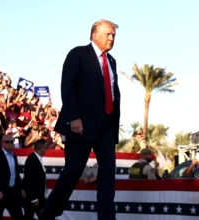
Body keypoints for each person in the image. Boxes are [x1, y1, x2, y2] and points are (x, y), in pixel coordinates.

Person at [40, 19, 121, 220]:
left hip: (107, 128)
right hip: (81, 126)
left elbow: (112, 92)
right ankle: (48, 214)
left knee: (108, 175)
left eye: (113, 35)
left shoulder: (111, 61)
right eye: (107, 34)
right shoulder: (78, 54)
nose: (111, 38)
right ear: (94, 35)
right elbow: (68, 87)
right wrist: (74, 117)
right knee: (72, 173)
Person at [0, 134, 26, 220]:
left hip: (13, 192)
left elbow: (16, 174)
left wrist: (21, 188)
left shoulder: (14, 156)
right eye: (7, 142)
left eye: (11, 142)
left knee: (19, 217)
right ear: (2, 143)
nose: (9, 143)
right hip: (1, 193)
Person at [23, 139, 47, 220]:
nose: (46, 149)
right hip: (34, 198)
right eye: (45, 147)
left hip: (39, 196)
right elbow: (29, 180)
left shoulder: (37, 158)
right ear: (41, 148)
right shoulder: (32, 160)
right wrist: (34, 199)